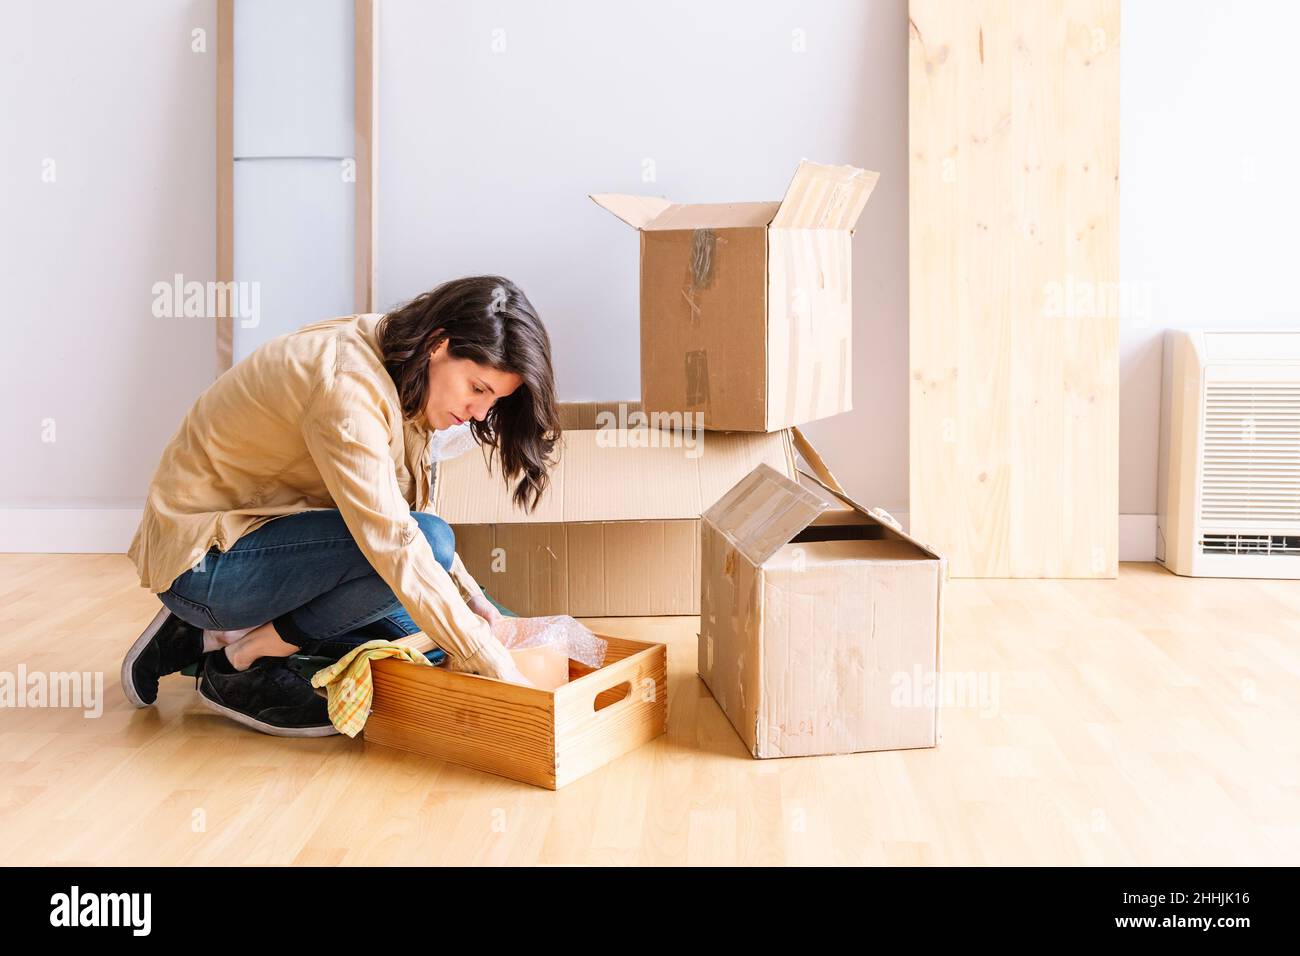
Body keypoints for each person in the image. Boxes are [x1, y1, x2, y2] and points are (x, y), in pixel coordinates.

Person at [120, 276, 560, 736]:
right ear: (439, 344)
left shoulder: (397, 357)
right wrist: (499, 672)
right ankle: (237, 662)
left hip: (266, 538)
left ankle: (199, 635)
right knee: (432, 573)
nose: (479, 414)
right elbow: (400, 540)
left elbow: (396, 513)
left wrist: (471, 600)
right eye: (478, 388)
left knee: (417, 637)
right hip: (206, 563)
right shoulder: (347, 389)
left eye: (494, 401)